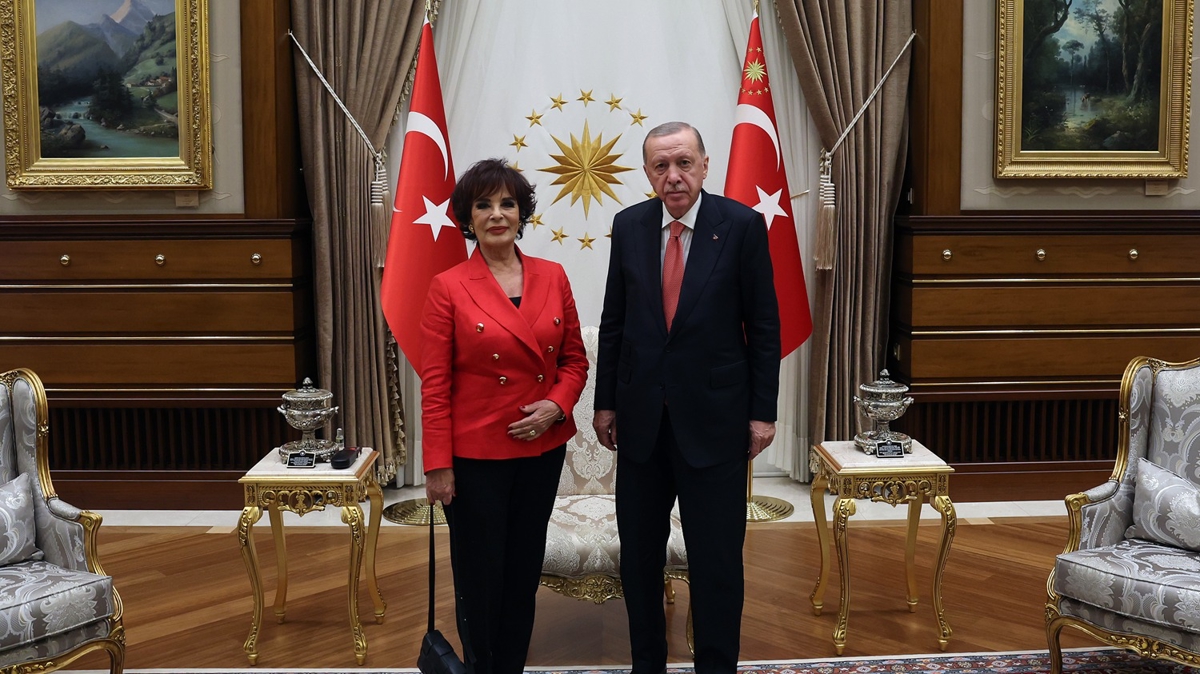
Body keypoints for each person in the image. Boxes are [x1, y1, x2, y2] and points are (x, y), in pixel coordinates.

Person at [593, 122, 781, 674]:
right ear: (647, 173)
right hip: (642, 424)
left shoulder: (741, 225)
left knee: (717, 562)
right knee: (639, 560)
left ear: (704, 165)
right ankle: (646, 664)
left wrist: (762, 413)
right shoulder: (629, 225)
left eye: (683, 163)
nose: (673, 176)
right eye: (660, 166)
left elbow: (763, 327)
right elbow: (614, 322)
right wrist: (605, 403)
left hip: (716, 423)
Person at [421, 158, 588, 674]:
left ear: (522, 214)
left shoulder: (553, 275)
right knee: (480, 575)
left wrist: (556, 405)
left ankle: (510, 666)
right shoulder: (448, 286)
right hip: (475, 459)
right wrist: (438, 465)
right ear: (468, 218)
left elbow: (574, 361)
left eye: (508, 203)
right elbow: (435, 385)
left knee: (521, 571)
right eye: (484, 205)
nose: (497, 214)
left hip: (541, 451)